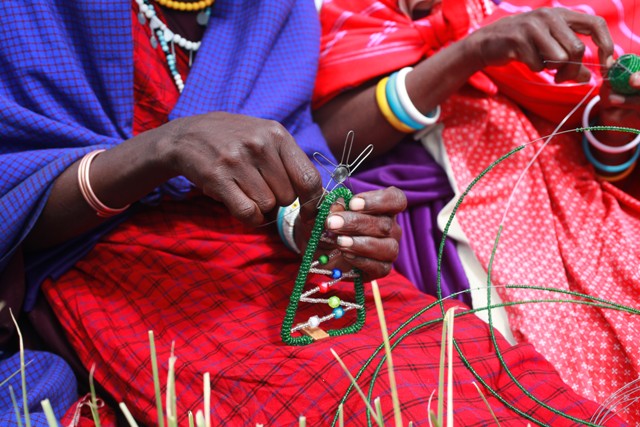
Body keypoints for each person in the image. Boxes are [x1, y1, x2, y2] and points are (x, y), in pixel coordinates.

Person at [0, 0, 629, 425]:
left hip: (270, 259)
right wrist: (160, 151)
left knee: (506, 387)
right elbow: (16, 183)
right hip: (114, 269)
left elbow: (297, 148)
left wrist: (318, 216)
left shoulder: (277, 8)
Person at [313, 0, 640, 423]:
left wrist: (618, 120)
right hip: (424, 220)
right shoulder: (355, 11)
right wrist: (473, 50)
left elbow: (604, 162)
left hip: (579, 206)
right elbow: (335, 144)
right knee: (511, 379)